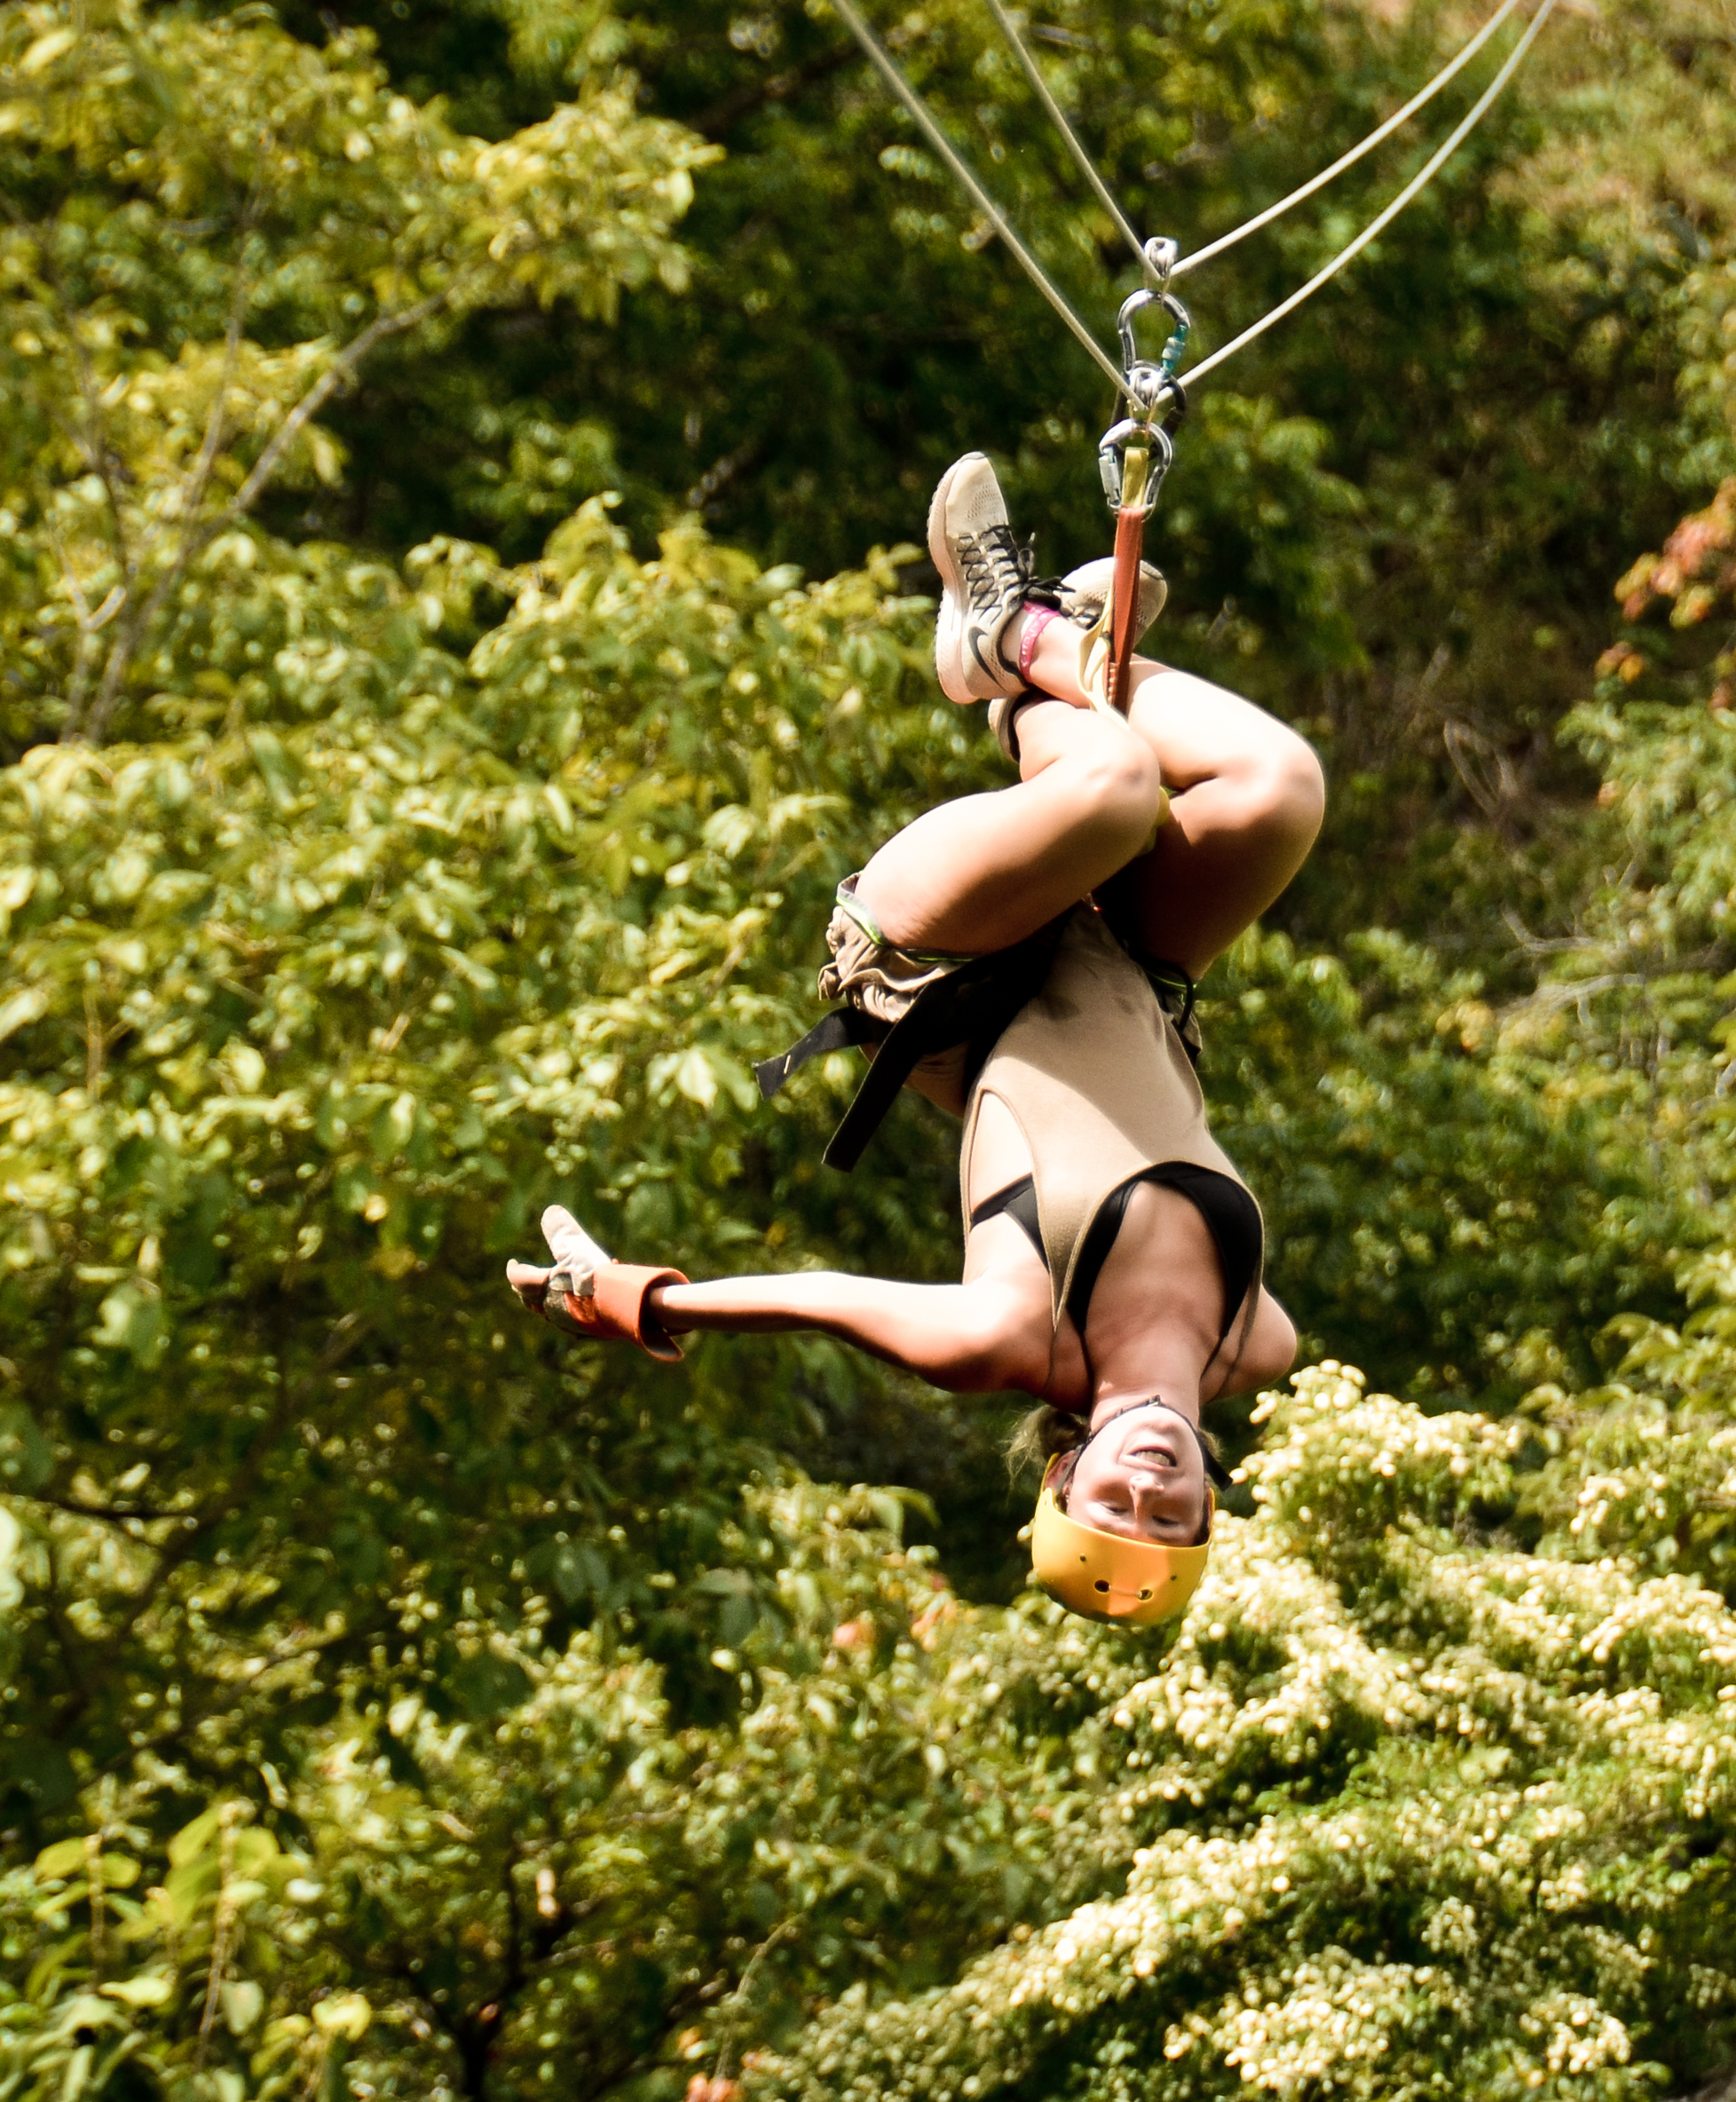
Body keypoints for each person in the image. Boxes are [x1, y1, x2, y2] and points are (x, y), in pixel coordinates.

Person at [504, 453, 1325, 1625]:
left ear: (1062, 1469)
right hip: (1131, 961)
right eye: (1168, 1519)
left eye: (1111, 1505)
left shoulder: (1007, 1337)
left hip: (935, 964)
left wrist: (629, 1299)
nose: (1146, 1493)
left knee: (1112, 789)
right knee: (1278, 786)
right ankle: (1041, 664)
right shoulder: (1257, 1341)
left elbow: (813, 1296)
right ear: (1209, 1503)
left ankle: (1016, 644)